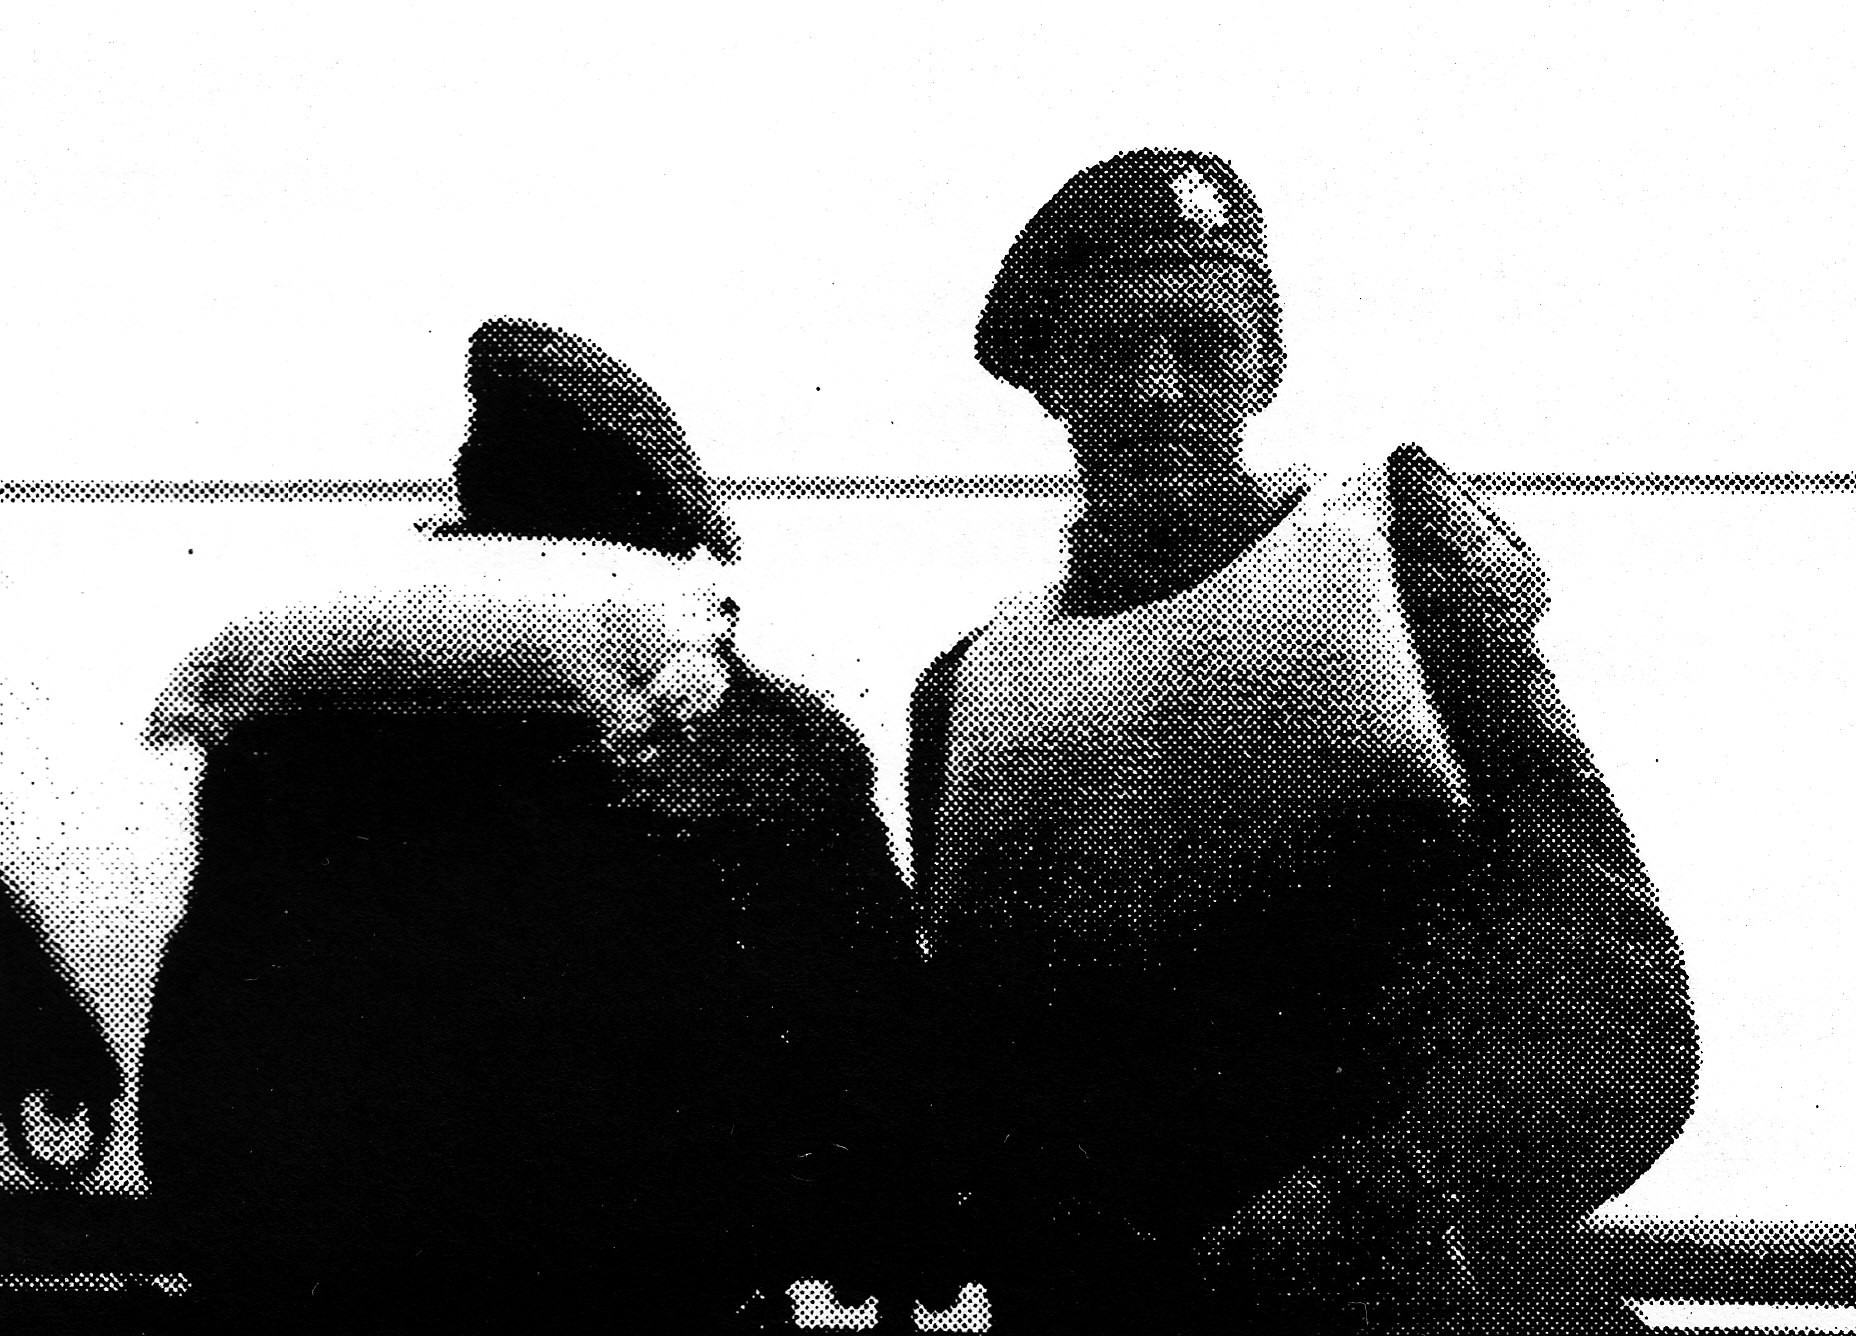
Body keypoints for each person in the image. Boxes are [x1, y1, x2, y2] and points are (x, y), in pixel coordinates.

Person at [906, 150, 1698, 1333]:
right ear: (1052, 385)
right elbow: (969, 1058)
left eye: (1201, 344)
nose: (1157, 389)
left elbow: (1606, 993)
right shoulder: (969, 694)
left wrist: (1375, 1198)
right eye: (1111, 352)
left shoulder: (1390, 579)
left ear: (1266, 367)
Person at [136, 317, 912, 1328]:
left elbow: (202, 1059)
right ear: (663, 539)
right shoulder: (766, 736)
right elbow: (867, 1044)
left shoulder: (294, 730)